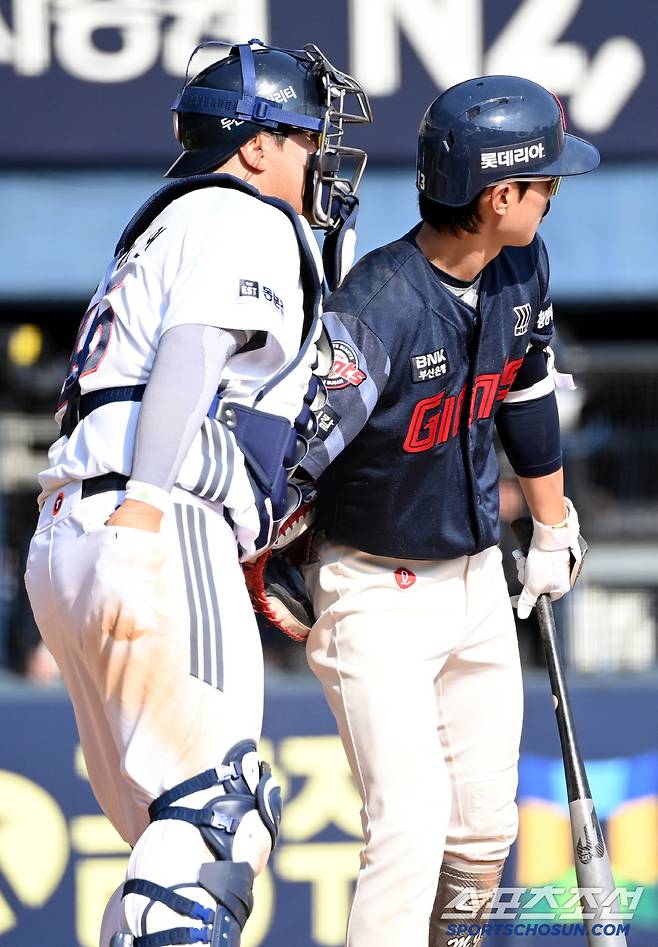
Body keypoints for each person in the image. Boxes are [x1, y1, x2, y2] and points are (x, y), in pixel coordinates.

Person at [24, 39, 370, 947]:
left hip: (73, 531)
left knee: (169, 836)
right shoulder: (246, 215)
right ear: (255, 145)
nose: (318, 158)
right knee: (219, 814)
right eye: (305, 138)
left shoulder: (167, 223)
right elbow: (194, 348)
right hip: (154, 519)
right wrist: (148, 506)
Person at [298, 77, 599, 946]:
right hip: (375, 589)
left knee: (481, 833)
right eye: (543, 182)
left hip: (475, 578)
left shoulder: (522, 264)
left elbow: (526, 391)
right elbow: (294, 456)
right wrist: (266, 559)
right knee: (409, 826)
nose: (552, 195)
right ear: (499, 196)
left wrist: (552, 525)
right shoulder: (376, 306)